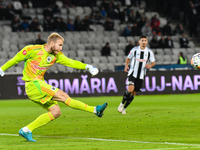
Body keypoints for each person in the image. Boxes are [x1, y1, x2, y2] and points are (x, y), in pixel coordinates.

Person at [0, 33, 107, 142]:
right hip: (33, 84)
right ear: (52, 43)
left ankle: (26, 130)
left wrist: (87, 67)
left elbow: (70, 62)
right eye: (59, 45)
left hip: (38, 85)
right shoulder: (32, 50)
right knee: (63, 96)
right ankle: (95, 110)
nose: (61, 48)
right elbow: (15, 59)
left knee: (56, 112)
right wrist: (2, 69)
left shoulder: (56, 56)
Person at [118, 36, 155, 114]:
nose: (144, 42)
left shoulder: (149, 52)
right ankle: (121, 103)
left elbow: (153, 62)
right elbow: (128, 58)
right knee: (130, 89)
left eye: (145, 40)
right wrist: (126, 66)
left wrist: (150, 66)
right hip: (132, 73)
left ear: (147, 42)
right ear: (139, 41)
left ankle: (124, 108)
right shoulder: (134, 50)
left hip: (141, 75)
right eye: (142, 40)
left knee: (134, 93)